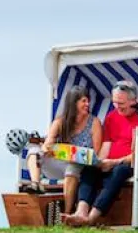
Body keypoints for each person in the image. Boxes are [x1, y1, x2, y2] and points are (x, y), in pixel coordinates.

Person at [62, 80, 138, 227]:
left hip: (129, 163)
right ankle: (80, 212)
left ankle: (91, 218)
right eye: (114, 102)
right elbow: (107, 144)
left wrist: (114, 162)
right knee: (90, 169)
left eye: (121, 103)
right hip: (110, 162)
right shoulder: (111, 117)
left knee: (118, 171)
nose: (117, 107)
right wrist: (99, 161)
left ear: (133, 101)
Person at [41, 84, 102, 215]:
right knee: (34, 152)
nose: (87, 104)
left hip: (82, 165)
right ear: (73, 103)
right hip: (60, 164)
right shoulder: (60, 122)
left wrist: (68, 153)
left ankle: (67, 213)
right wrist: (51, 148)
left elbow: (96, 154)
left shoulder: (94, 122)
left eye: (88, 101)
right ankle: (35, 184)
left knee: (72, 166)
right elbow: (47, 145)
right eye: (83, 101)